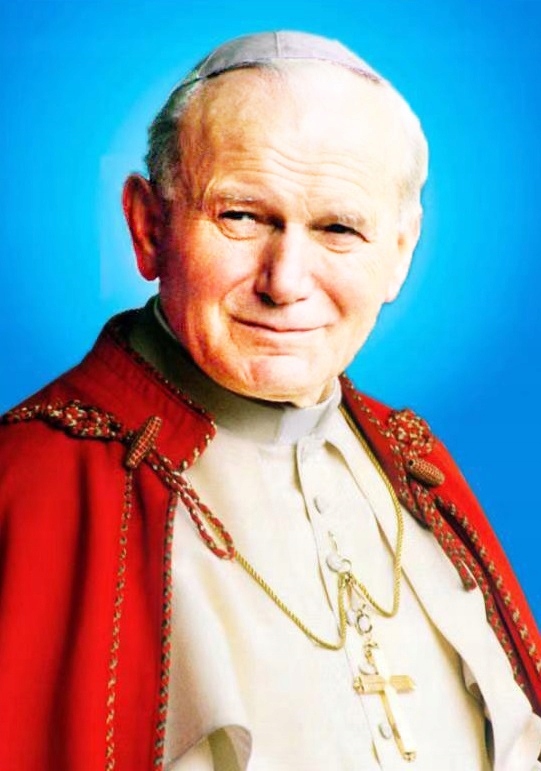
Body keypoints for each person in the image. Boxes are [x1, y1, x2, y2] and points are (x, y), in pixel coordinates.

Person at [0, 30, 539, 771]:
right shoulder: (29, 484)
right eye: (243, 216)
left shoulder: (416, 466)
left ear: (398, 253)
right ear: (149, 227)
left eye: (338, 228)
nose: (285, 281)